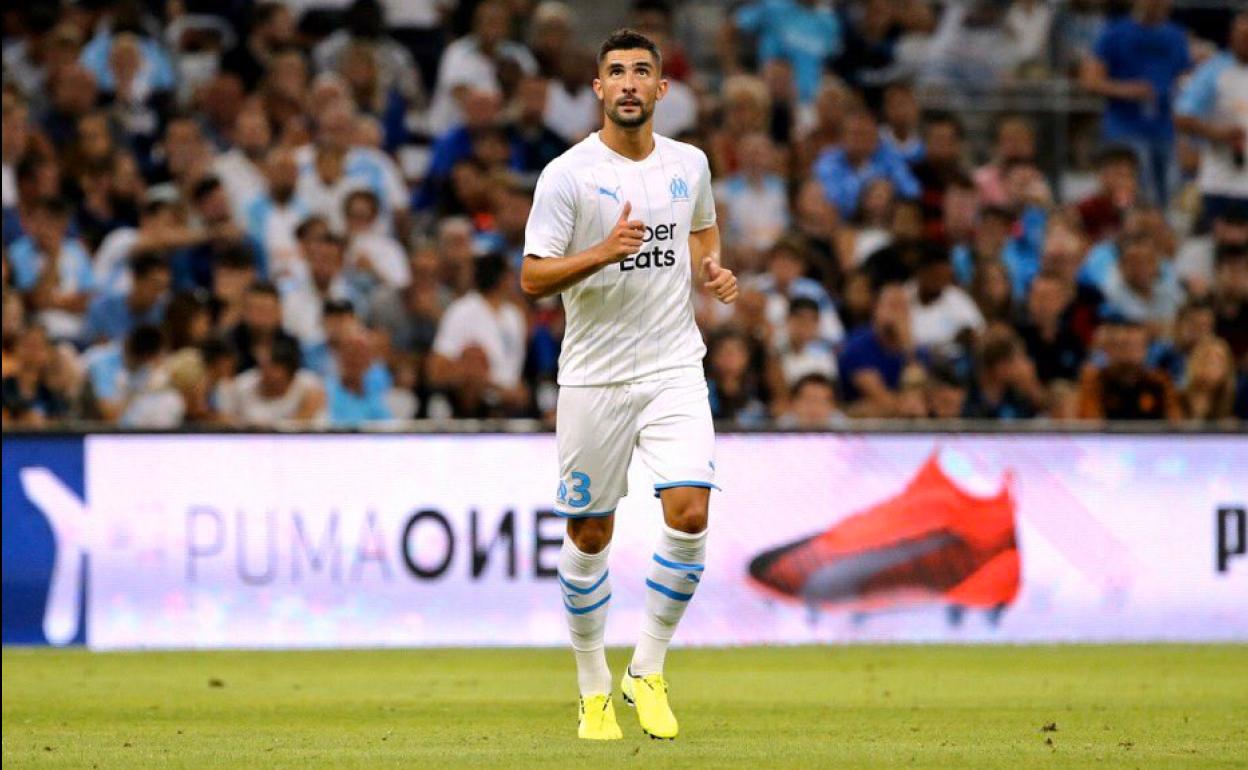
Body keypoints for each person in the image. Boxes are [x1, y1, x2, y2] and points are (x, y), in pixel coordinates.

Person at [518, 29, 738, 741]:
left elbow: (701, 229)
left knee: (690, 514)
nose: (630, 83)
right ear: (599, 90)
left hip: (675, 366)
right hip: (594, 378)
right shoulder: (567, 176)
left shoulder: (690, 163)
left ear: (663, 89)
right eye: (617, 72)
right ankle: (592, 689)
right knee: (590, 532)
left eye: (643, 71)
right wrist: (602, 251)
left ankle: (647, 667)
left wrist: (711, 268)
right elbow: (531, 277)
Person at [1079, 0, 1191, 205]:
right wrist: (1126, 89)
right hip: (1124, 127)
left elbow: (1185, 77)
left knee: (1168, 193)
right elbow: (1090, 80)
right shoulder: (1114, 33)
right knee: (1136, 192)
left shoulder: (1176, 35)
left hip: (1164, 127)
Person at [1174, 11, 1248, 225]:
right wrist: (1217, 133)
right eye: (1241, 35)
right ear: (1231, 36)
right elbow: (1182, 117)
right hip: (1221, 181)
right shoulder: (1214, 71)